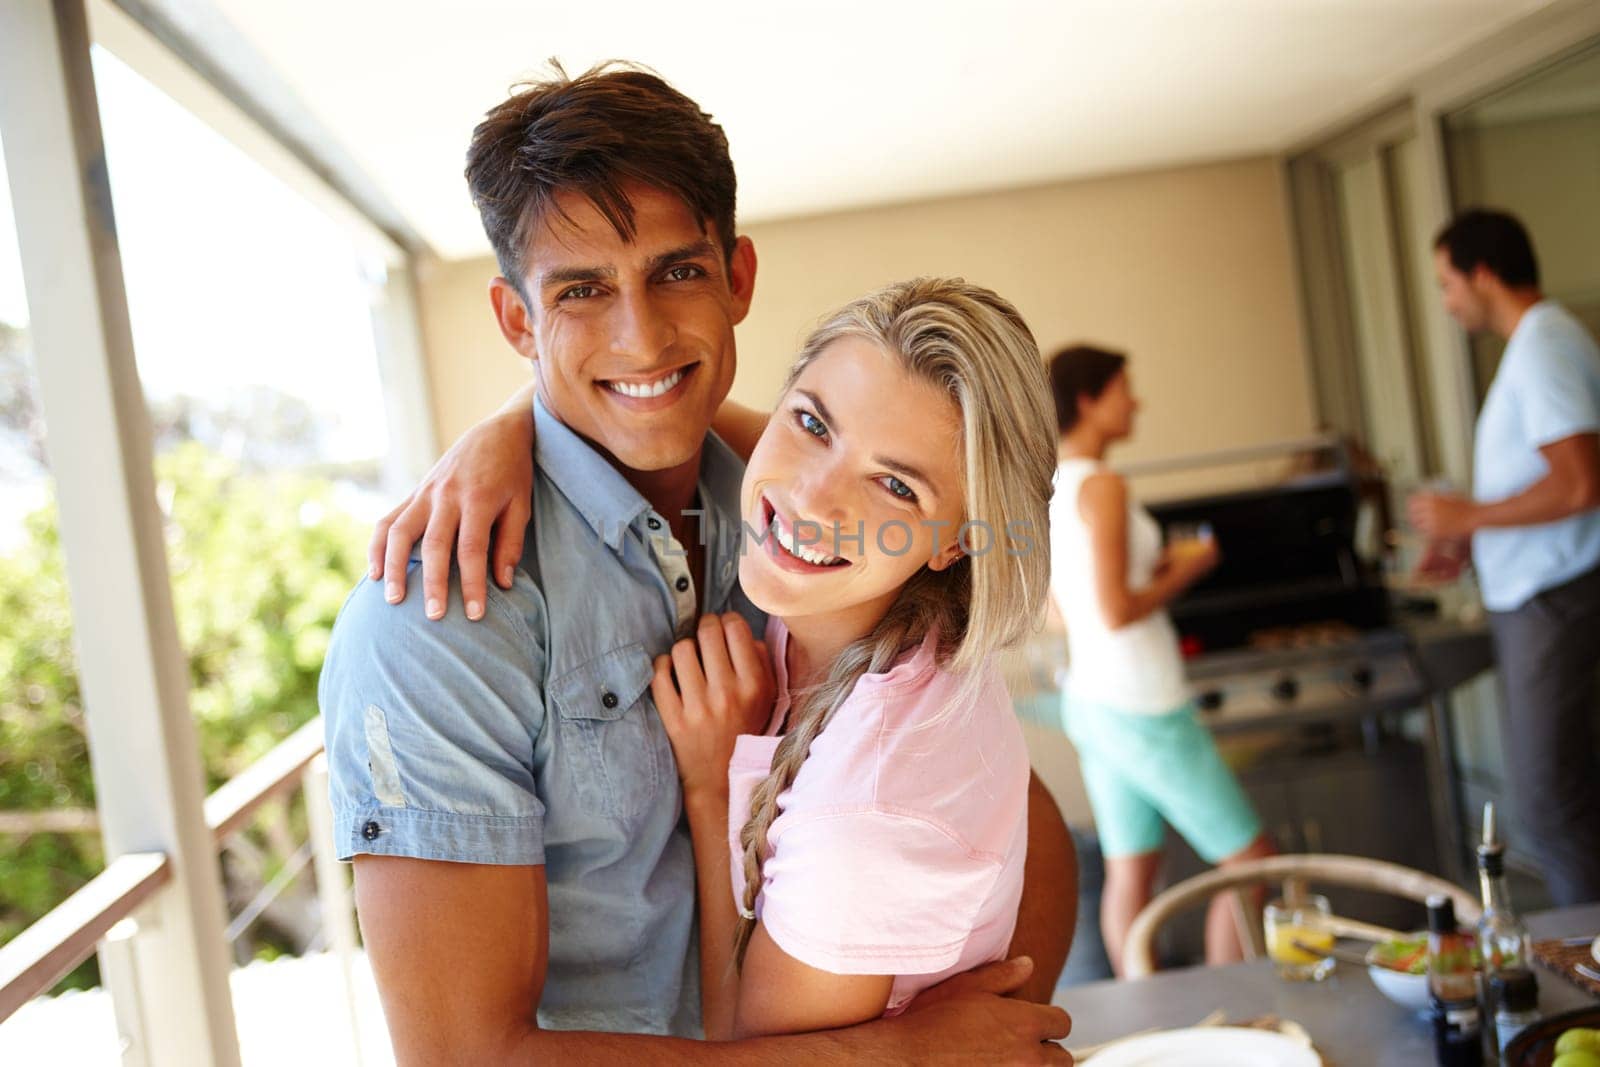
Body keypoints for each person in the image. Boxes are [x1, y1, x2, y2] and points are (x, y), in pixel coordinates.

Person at [322, 63, 1076, 1064]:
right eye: (581, 291)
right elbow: (464, 1056)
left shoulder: (793, 515)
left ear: (737, 277)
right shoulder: (436, 615)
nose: (642, 334)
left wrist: (1000, 1026)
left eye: (677, 271)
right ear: (517, 322)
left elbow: (1010, 820)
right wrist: (899, 1055)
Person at [646, 278, 1056, 1036]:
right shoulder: (878, 621)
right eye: (811, 422)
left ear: (961, 538)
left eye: (895, 485)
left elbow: (749, 1051)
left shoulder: (862, 812)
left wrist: (710, 785)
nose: (812, 495)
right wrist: (501, 440)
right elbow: (663, 417)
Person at [1046, 344, 1275, 975]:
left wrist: (1156, 569)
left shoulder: (1053, 489)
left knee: (1131, 869)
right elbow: (1117, 609)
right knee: (1251, 860)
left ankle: (1145, 1012)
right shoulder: (1103, 484)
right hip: (1142, 701)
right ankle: (1231, 1003)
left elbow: (1060, 611)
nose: (1135, 401)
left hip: (1092, 698)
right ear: (1090, 400)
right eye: (1124, 388)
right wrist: (1190, 569)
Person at [1409, 209, 1600, 906]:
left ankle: (1589, 976)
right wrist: (1470, 534)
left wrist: (1472, 517)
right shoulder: (1537, 345)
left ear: (1482, 273)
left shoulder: (1545, 343)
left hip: (1554, 599)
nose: (1447, 300)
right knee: (1561, 796)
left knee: (1553, 804)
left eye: (1446, 282)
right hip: (1541, 596)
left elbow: (1581, 480)